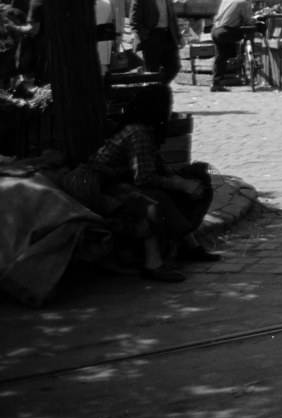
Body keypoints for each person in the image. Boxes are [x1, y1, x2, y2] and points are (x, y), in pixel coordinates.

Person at [58, 85, 218, 282]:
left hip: (110, 181)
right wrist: (182, 186)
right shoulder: (138, 132)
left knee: (181, 182)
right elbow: (144, 177)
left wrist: (182, 180)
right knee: (148, 202)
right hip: (90, 185)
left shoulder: (145, 130)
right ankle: (154, 264)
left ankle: (189, 246)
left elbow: (158, 164)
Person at [132, 0, 182, 83]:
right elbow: (134, 21)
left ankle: (162, 86)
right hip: (152, 36)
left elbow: (173, 18)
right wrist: (146, 36)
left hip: (168, 36)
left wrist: (179, 36)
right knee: (152, 69)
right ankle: (153, 91)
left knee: (174, 66)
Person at [209, 0, 254, 92]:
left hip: (215, 31)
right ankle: (250, 57)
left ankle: (216, 83)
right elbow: (248, 20)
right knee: (251, 29)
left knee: (220, 57)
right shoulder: (242, 2)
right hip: (225, 32)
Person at [93, 0, 117, 73]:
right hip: (104, 37)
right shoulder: (107, 2)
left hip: (91, 36)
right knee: (103, 65)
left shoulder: (88, 4)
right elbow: (110, 20)